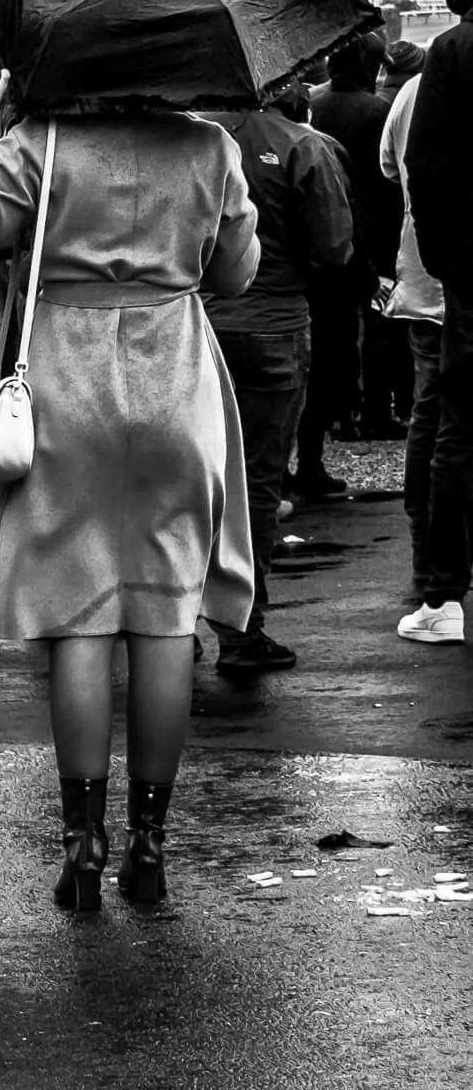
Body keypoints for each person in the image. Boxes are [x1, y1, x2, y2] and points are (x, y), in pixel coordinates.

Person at [0, 68, 258, 911]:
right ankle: (149, 847)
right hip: (174, 382)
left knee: (76, 618)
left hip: (65, 390)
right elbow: (237, 274)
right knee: (163, 619)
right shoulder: (208, 146)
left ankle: (82, 846)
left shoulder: (44, 143)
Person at [205, 91, 353, 669]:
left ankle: (166, 621)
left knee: (188, 477)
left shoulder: (189, 141)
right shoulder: (305, 147)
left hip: (198, 326)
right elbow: (334, 248)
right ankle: (242, 629)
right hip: (274, 326)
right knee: (258, 480)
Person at [399, 0, 473, 644]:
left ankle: (444, 595)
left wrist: (450, 261)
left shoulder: (451, 52)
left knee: (459, 426)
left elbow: (425, 168)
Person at [384, 66, 456, 641]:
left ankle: (428, 552)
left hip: (431, 280)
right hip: (440, 281)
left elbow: (391, 166)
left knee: (432, 414)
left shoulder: (414, 89)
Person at [315, 33, 409, 438]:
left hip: (327, 230)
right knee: (380, 326)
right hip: (374, 230)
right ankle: (376, 411)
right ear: (370, 67)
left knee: (333, 329)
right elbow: (388, 177)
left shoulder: (314, 106)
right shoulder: (377, 110)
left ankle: (338, 412)